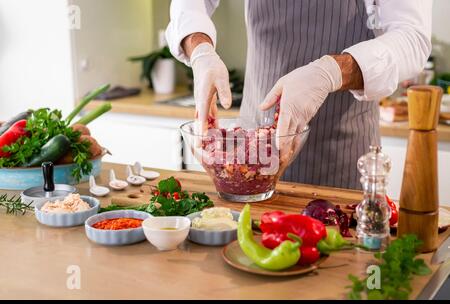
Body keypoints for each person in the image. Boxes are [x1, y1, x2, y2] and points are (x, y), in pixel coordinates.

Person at [166, 0, 432, 189]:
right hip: (249, 155)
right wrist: (200, 51)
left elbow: (412, 38)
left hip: (339, 152)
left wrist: (330, 72)